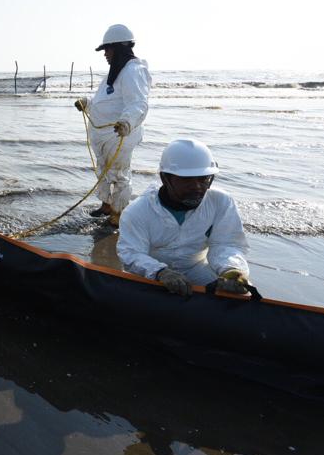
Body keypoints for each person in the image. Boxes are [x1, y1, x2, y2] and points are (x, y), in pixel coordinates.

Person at [116, 139, 251, 296]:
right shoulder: (137, 211)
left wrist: (231, 269)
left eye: (203, 179)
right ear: (165, 178)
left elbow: (226, 243)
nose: (197, 187)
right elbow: (131, 253)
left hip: (195, 268)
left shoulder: (221, 201)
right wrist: (160, 272)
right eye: (187, 180)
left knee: (240, 294)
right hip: (149, 274)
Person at [73, 24, 151, 226]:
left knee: (119, 175)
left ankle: (118, 215)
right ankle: (107, 205)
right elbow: (104, 100)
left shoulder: (134, 71)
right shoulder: (115, 72)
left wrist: (127, 122)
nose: (105, 54)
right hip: (104, 136)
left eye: (107, 49)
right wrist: (87, 103)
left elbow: (138, 103)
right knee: (104, 172)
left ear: (119, 48)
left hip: (119, 136)